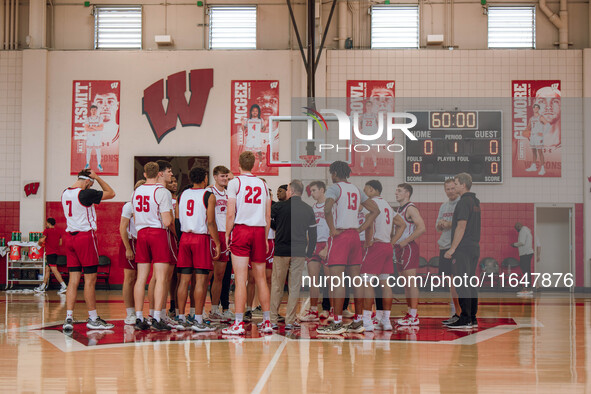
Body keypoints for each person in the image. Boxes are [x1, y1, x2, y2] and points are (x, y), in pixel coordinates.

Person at [316, 161, 379, 335]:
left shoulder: (334, 188)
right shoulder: (356, 189)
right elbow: (375, 211)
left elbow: (327, 208)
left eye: (331, 173)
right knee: (356, 280)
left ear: (334, 173)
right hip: (354, 236)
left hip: (340, 236)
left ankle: (336, 323)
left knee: (337, 281)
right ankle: (358, 322)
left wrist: (332, 229)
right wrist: (361, 228)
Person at [222, 151, 273, 335]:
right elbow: (268, 215)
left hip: (242, 230)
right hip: (259, 231)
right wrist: (266, 237)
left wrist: (228, 234)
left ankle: (238, 323)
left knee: (241, 279)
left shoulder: (235, 182)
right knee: (261, 279)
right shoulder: (263, 184)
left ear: (238, 163)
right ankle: (267, 321)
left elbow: (230, 213)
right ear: (254, 165)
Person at [61, 169, 115, 331]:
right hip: (84, 238)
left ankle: (68, 317)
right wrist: (97, 178)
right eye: (90, 183)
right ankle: (93, 318)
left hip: (69, 238)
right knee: (90, 280)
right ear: (87, 181)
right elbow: (111, 193)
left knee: (73, 280)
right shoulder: (84, 194)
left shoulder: (65, 192)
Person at [175, 167, 221, 331]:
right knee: (201, 280)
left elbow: (178, 219)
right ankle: (198, 320)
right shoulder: (208, 195)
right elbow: (210, 222)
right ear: (205, 179)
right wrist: (217, 242)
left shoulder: (182, 195)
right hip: (200, 238)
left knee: (184, 280)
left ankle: (180, 318)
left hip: (185, 238)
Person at [132, 162, 174, 331]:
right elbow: (167, 220)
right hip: (157, 233)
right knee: (161, 278)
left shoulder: (137, 191)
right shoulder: (162, 192)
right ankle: (156, 317)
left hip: (141, 233)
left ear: (144, 174)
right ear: (158, 174)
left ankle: (138, 317)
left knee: (141, 278)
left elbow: (135, 216)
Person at [269, 180, 317, 330]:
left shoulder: (278, 207)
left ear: (291, 190)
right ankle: (290, 321)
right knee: (294, 287)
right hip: (299, 251)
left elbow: (271, 224)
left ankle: (272, 320)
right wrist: (309, 252)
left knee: (277, 285)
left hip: (281, 250)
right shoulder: (308, 209)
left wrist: (281, 227)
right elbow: (313, 234)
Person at [361, 180, 406, 332]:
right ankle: (386, 320)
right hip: (387, 246)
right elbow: (402, 224)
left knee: (366, 281)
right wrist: (392, 242)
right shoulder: (387, 204)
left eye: (366, 188)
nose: (364, 191)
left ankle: (366, 320)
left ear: (372, 189)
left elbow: (369, 225)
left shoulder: (371, 203)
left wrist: (368, 242)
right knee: (385, 282)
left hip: (376, 245)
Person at [444, 173, 481, 329]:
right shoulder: (475, 201)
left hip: (463, 248)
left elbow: (461, 226)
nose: (455, 186)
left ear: (463, 185)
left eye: (457, 183)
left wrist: (452, 248)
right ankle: (472, 317)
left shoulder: (463, 202)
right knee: (470, 283)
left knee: (463, 284)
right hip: (474, 247)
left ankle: (465, 318)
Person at [394, 183, 426, 326]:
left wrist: (405, 241)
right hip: (399, 248)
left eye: (399, 191)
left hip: (408, 247)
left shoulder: (410, 208)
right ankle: (410, 313)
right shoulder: (399, 209)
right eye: (396, 190)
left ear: (407, 193)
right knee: (405, 283)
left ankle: (414, 315)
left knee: (410, 282)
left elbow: (422, 228)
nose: (396, 193)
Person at [300, 181, 330, 322]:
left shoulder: (331, 206)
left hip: (328, 244)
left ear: (322, 190)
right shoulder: (312, 207)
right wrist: (309, 247)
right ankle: (313, 310)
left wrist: (328, 247)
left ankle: (329, 309)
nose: (311, 193)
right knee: (313, 280)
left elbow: (335, 228)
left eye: (314, 190)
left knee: (331, 281)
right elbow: (309, 230)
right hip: (314, 245)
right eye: (310, 191)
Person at [206, 165, 231, 322]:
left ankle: (215, 310)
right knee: (206, 275)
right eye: (222, 176)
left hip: (226, 234)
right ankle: (198, 310)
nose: (225, 179)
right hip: (212, 234)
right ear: (214, 177)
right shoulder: (209, 193)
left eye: (226, 176)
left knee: (220, 276)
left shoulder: (230, 193)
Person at [119, 180, 145, 325]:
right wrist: (128, 247)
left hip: (143, 241)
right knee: (129, 278)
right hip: (130, 241)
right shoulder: (129, 205)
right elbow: (122, 227)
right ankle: (130, 313)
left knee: (140, 278)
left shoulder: (149, 205)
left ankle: (140, 312)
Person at [436, 179, 461, 325]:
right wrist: (441, 224)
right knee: (450, 283)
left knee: (456, 283)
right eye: (447, 189)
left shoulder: (460, 204)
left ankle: (460, 313)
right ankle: (456, 313)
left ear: (457, 189)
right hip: (444, 246)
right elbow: (437, 226)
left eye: (452, 188)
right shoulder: (444, 206)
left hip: (455, 247)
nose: (450, 191)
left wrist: (448, 224)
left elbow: (461, 224)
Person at [35, 218, 67, 294]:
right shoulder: (58, 232)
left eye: (46, 223)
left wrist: (39, 243)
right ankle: (42, 287)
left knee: (54, 270)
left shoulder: (46, 231)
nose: (46, 225)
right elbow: (60, 243)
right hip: (55, 253)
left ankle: (64, 286)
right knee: (47, 269)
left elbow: (42, 240)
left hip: (50, 253)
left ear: (49, 223)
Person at [524, 103, 550, 176]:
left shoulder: (541, 117)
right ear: (533, 109)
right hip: (532, 136)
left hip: (538, 137)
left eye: (536, 108)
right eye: (534, 108)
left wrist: (543, 133)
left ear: (538, 109)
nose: (535, 109)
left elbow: (548, 125)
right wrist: (524, 132)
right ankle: (533, 166)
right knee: (533, 152)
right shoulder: (531, 119)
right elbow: (528, 127)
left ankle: (542, 168)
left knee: (540, 152)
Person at [241, 104, 266, 171]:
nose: (255, 112)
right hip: (250, 139)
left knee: (259, 152)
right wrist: (242, 122)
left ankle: (260, 164)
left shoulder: (260, 120)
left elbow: (263, 129)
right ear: (251, 112)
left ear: (258, 112)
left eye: (256, 111)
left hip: (257, 138)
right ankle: (247, 166)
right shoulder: (248, 120)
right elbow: (243, 129)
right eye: (253, 111)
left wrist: (265, 125)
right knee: (247, 154)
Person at [512, 222, 534, 297]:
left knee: (525, 270)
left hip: (525, 253)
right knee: (526, 270)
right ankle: (528, 288)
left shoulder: (522, 230)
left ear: (518, 226)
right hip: (527, 253)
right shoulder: (527, 230)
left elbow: (521, 242)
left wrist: (514, 244)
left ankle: (527, 288)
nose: (516, 230)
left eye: (516, 229)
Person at [84, 105, 104, 172]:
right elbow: (86, 129)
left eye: (95, 110)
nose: (93, 111)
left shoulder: (99, 119)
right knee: (88, 151)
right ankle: (87, 164)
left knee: (98, 152)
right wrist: (96, 128)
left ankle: (99, 164)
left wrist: (92, 127)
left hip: (97, 138)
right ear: (90, 111)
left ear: (96, 111)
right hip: (90, 138)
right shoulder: (88, 119)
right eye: (92, 110)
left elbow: (101, 128)